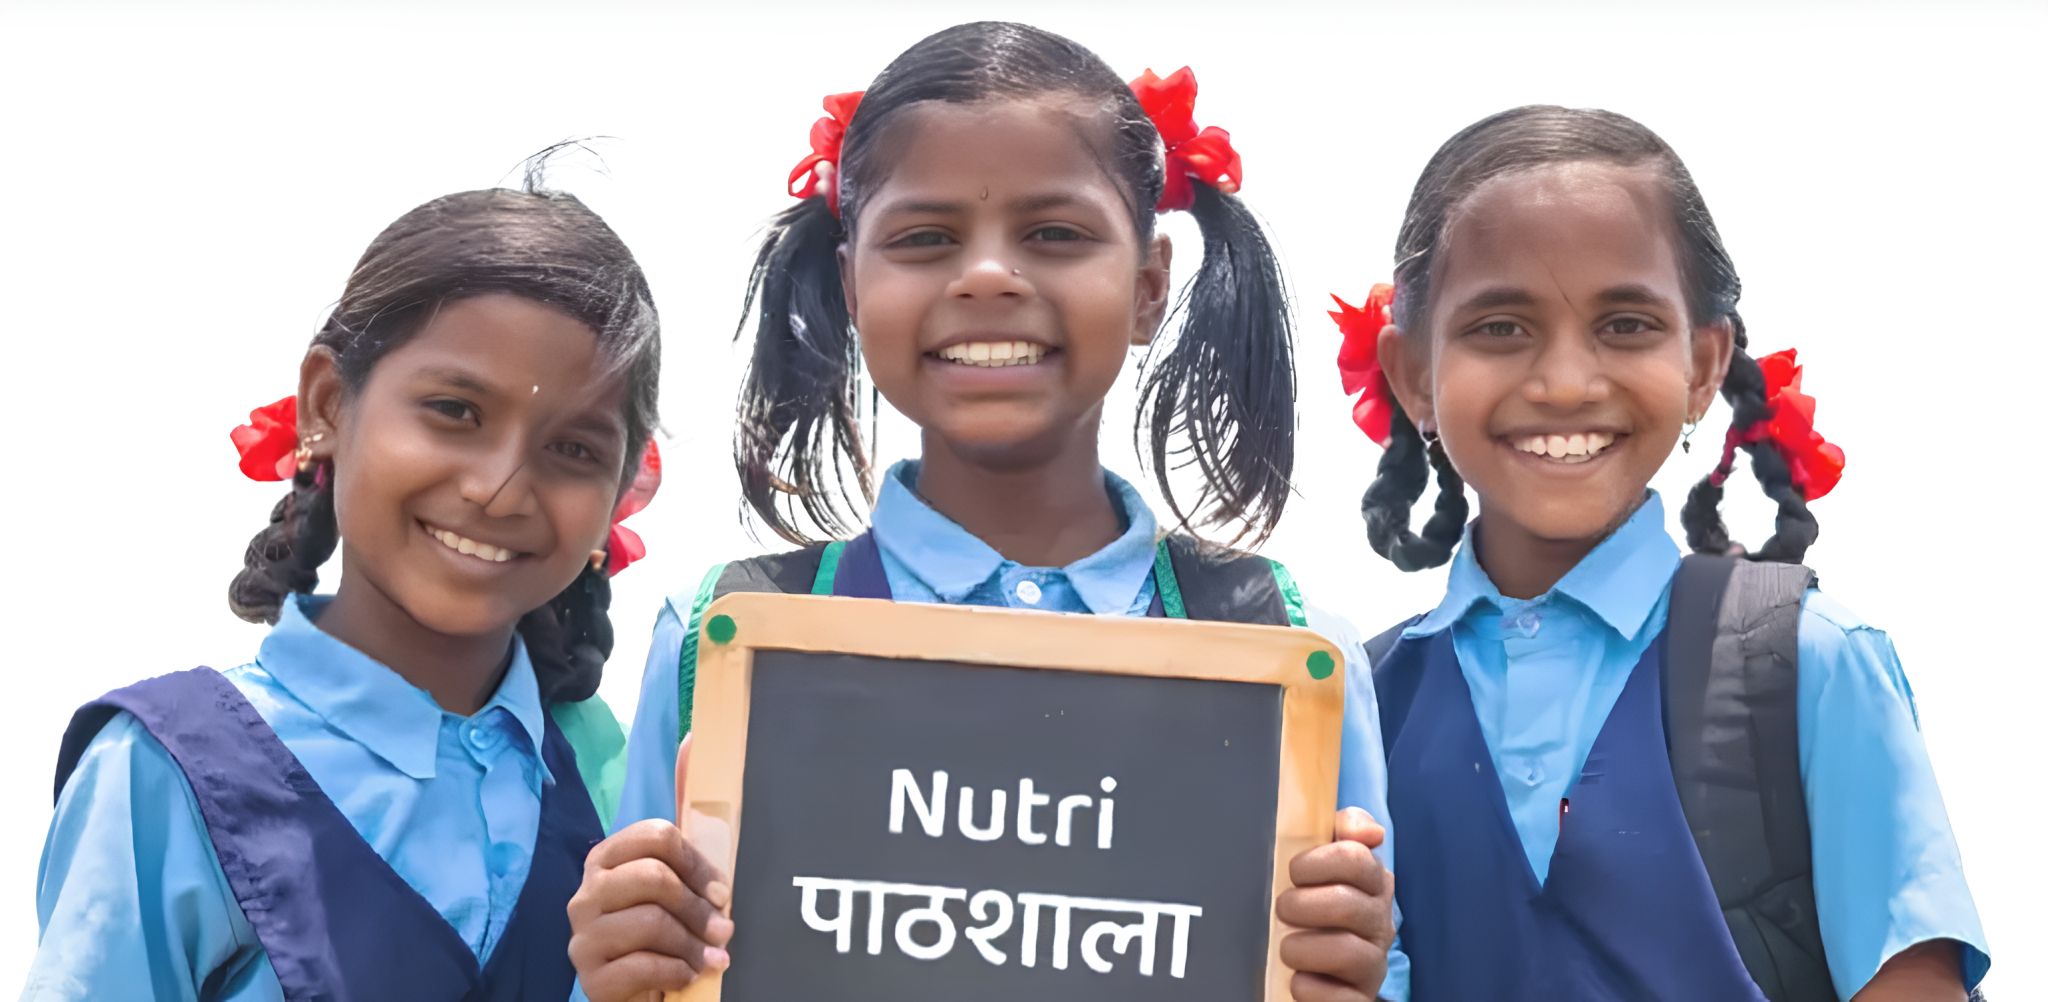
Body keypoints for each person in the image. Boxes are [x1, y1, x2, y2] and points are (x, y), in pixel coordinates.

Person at [569, 21, 1403, 1002]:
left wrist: (1351, 974)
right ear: (851, 286)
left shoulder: (1288, 655)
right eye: (924, 239)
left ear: (1146, 290)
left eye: (1054, 234)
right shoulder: (722, 639)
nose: (987, 276)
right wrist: (623, 967)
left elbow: (1366, 973)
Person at [1340, 105, 1988, 1000]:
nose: (1566, 382)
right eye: (1500, 327)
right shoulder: (1354, 710)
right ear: (1413, 374)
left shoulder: (1805, 664)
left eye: (1626, 326)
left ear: (1703, 366)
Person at [28, 181, 662, 1000]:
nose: (501, 489)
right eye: (454, 410)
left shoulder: (624, 778)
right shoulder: (164, 772)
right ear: (327, 403)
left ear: (621, 492)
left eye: (573, 449)